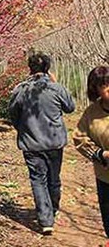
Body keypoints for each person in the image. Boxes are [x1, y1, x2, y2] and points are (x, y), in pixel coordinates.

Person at [7, 52, 75, 235]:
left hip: (31, 143)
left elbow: (13, 113)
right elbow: (70, 108)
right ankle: (52, 210)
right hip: (54, 141)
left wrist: (23, 129)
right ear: (48, 67)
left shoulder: (20, 89)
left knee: (38, 180)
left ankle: (46, 220)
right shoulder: (56, 88)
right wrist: (56, 83)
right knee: (54, 178)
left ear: (29, 68)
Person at [73, 65, 109, 239]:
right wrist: (101, 155)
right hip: (105, 176)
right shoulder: (91, 113)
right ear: (95, 89)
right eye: (103, 85)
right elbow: (80, 140)